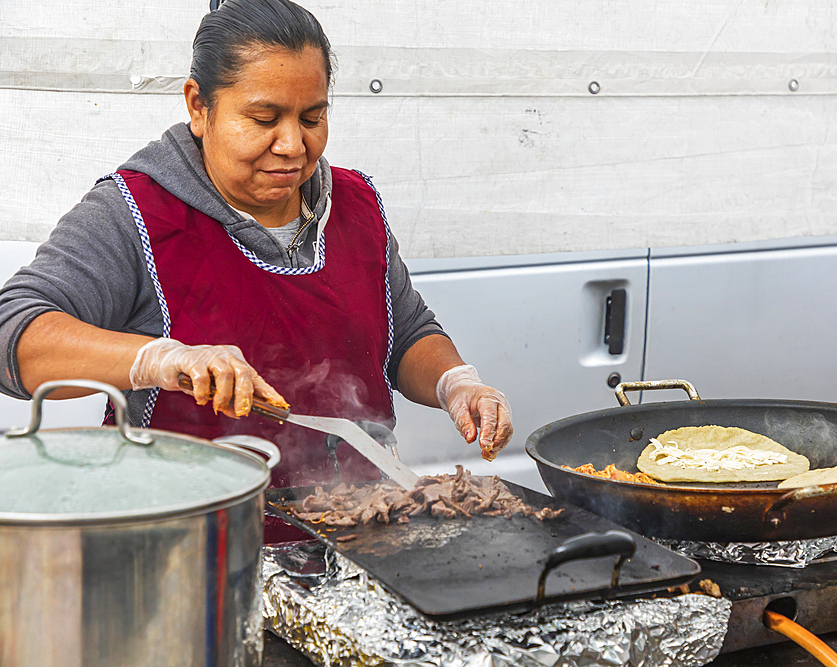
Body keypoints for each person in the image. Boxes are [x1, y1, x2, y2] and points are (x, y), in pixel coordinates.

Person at [0, 0, 512, 538]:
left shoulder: (356, 206)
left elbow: (405, 333)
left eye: (313, 117)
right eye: (264, 119)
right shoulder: (134, 214)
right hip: (190, 559)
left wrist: (457, 384)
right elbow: (14, 332)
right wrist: (160, 359)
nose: (293, 145)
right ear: (199, 107)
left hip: (361, 547)